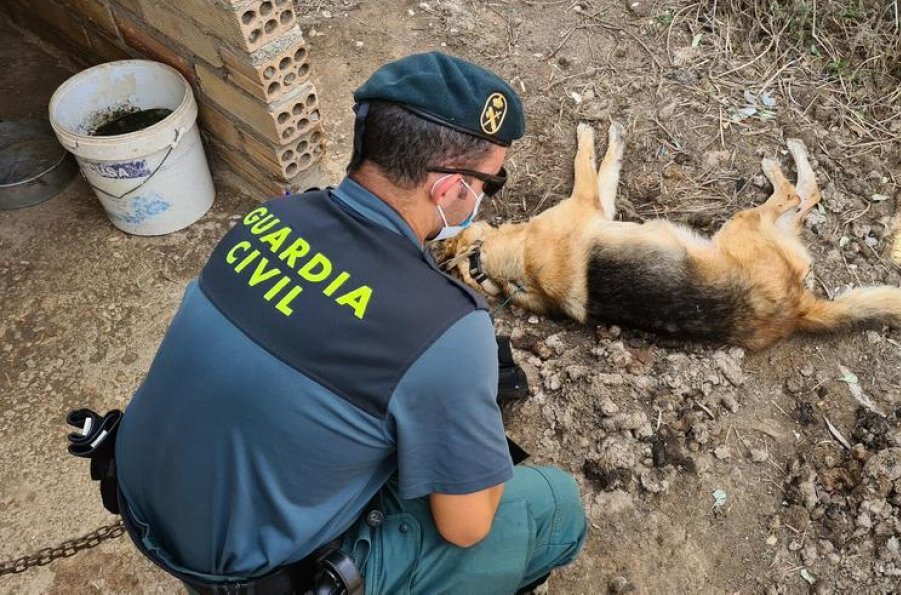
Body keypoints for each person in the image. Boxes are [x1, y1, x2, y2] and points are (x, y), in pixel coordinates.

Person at [113, 52, 588, 594]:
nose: (482, 198)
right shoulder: (446, 327)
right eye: (489, 182)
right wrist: (466, 410)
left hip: (139, 498)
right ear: (448, 189)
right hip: (244, 575)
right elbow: (466, 526)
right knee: (554, 506)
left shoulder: (269, 217)